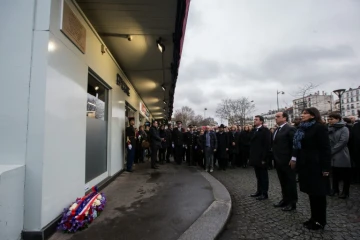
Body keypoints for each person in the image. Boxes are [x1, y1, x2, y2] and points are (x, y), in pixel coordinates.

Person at [291, 107, 331, 230]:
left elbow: (325, 149)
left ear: (313, 115)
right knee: (311, 193)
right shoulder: (302, 128)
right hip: (305, 165)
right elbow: (298, 147)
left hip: (316, 165)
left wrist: (325, 168)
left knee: (318, 194)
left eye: (305, 113)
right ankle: (313, 218)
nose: (302, 115)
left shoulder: (319, 128)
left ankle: (320, 221)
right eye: (302, 113)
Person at [272, 112, 297, 211]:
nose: (276, 118)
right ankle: (285, 200)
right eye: (275, 117)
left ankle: (292, 202)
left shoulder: (290, 129)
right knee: (283, 182)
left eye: (278, 117)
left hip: (287, 161)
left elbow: (294, 145)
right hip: (278, 160)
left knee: (290, 182)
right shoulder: (277, 130)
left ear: (285, 118)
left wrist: (293, 158)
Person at [328, 112, 351, 199]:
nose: (330, 121)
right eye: (329, 119)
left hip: (341, 153)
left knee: (345, 174)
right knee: (334, 173)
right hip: (332, 154)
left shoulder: (344, 128)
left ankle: (345, 191)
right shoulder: (329, 128)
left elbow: (343, 141)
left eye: (332, 119)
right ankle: (335, 189)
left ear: (337, 119)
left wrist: (332, 150)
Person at [249, 116, 272, 200]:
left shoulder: (265, 131)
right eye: (254, 119)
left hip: (262, 157)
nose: (254, 121)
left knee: (263, 176)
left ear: (261, 121)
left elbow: (267, 145)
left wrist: (264, 158)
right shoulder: (254, 130)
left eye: (256, 120)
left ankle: (264, 193)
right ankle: (259, 191)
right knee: (258, 175)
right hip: (255, 156)